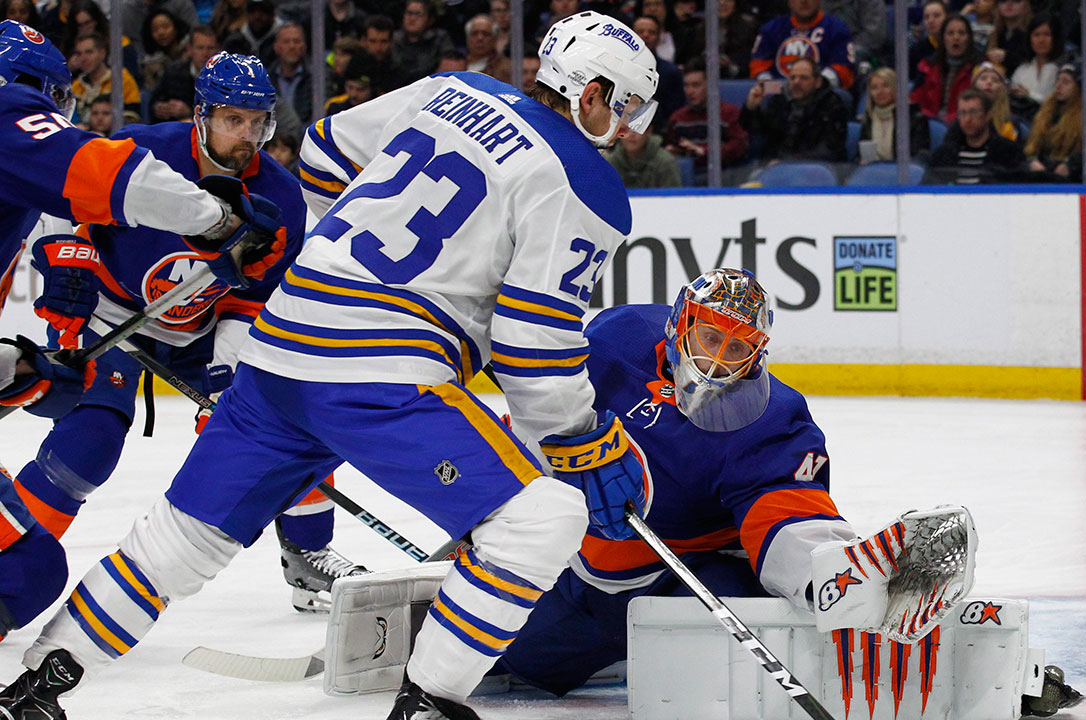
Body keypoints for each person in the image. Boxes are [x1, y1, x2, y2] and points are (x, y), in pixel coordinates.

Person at [0, 11, 659, 720]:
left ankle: (36, 688)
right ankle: (429, 703)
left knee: (180, 539)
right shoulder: (585, 183)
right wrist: (575, 441)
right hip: (380, 371)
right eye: (623, 109)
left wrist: (346, 255)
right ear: (588, 93)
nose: (626, 131)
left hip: (281, 342)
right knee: (542, 519)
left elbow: (321, 152)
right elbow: (534, 345)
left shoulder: (454, 88)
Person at [8, 50, 359, 614]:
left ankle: (308, 554)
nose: (246, 136)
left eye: (258, 122)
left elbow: (252, 300)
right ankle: (11, 556)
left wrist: (227, 377)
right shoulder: (145, 149)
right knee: (89, 442)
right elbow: (60, 200)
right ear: (201, 115)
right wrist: (66, 260)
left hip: (203, 331)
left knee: (286, 419)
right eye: (231, 119)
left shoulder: (281, 197)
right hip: (112, 317)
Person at [493, 267, 852, 693]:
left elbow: (786, 509)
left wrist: (831, 578)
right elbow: (544, 413)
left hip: (689, 579)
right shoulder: (617, 341)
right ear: (680, 322)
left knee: (726, 636)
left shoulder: (772, 419)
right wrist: (497, 495)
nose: (719, 359)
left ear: (755, 355)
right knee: (518, 658)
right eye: (711, 337)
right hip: (584, 569)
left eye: (737, 347)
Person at [743, 56, 849, 163]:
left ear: (818, 82)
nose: (796, 82)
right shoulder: (780, 99)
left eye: (804, 78)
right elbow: (757, 129)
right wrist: (751, 108)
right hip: (773, 167)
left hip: (814, 169)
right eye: (792, 78)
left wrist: (788, 163)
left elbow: (829, 150)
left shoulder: (832, 104)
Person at [663, 56, 749, 172]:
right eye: (686, 85)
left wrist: (704, 151)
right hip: (688, 176)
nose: (690, 91)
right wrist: (672, 151)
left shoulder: (728, 113)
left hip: (723, 174)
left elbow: (739, 146)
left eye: (696, 85)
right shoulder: (678, 118)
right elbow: (668, 146)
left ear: (710, 85)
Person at [925, 88, 1025, 185]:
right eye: (962, 113)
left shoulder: (1008, 152)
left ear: (988, 115)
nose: (967, 119)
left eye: (974, 112)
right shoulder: (943, 155)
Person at [750, 0, 856, 90]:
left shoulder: (837, 29)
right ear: (790, 2)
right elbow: (758, 68)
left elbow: (843, 72)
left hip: (821, 100)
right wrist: (779, 89)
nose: (804, 1)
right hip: (779, 98)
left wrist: (812, 88)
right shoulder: (771, 29)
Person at [910, 13, 982, 124]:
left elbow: (980, 106)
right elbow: (916, 99)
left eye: (961, 33)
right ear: (943, 38)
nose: (956, 37)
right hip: (931, 123)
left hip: (965, 124)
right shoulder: (927, 66)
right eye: (950, 33)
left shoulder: (979, 68)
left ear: (969, 38)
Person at [855, 67, 930, 163]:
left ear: (895, 88)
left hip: (902, 174)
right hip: (873, 172)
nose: (880, 92)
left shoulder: (914, 118)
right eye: (874, 88)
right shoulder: (868, 118)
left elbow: (919, 157)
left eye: (885, 86)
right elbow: (858, 155)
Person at [1024, 63, 1083, 182]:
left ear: (1078, 87)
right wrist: (1032, 160)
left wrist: (1071, 165)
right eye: (1058, 81)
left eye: (1066, 82)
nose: (1058, 86)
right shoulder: (1045, 112)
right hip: (1042, 173)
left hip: (1072, 178)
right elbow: (1032, 146)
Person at [149, 23, 218, 122]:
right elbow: (153, 102)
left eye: (210, 48)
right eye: (200, 48)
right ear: (189, 49)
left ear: (218, 50)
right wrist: (159, 108)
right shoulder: (173, 72)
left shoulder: (225, 78)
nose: (205, 54)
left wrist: (189, 112)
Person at [70, 31, 142, 125]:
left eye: (89, 52)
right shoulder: (76, 86)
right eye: (79, 54)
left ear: (102, 53)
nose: (84, 58)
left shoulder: (122, 79)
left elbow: (133, 117)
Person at [394, 0, 454, 84]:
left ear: (430, 19)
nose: (412, 18)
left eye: (418, 14)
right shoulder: (394, 39)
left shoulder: (440, 39)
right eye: (409, 13)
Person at [1009, 13, 1062, 107]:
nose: (1041, 40)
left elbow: (1057, 104)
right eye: (1036, 35)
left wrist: (1029, 95)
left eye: (1047, 34)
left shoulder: (1062, 69)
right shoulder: (1022, 70)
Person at [607, 124, 682, 188]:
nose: (631, 135)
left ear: (648, 131)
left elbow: (673, 198)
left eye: (637, 129)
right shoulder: (610, 163)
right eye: (627, 129)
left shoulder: (665, 161)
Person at [267, 21, 310, 124]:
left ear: (304, 46)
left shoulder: (316, 77)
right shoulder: (267, 79)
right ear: (276, 47)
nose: (292, 46)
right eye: (286, 41)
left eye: (296, 41)